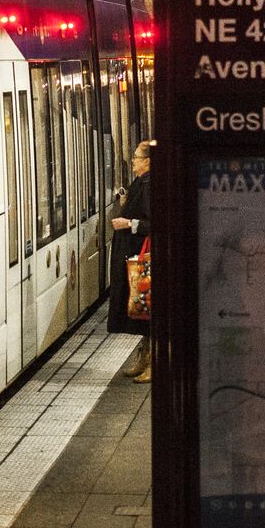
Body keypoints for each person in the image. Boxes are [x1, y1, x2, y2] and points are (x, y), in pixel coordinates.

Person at [110, 141, 152, 381]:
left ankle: (154, 364)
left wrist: (129, 223)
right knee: (145, 310)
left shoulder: (149, 183)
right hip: (137, 254)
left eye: (137, 157)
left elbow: (155, 221)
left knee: (150, 309)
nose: (133, 161)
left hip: (144, 257)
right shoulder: (143, 182)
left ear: (148, 161)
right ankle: (144, 358)